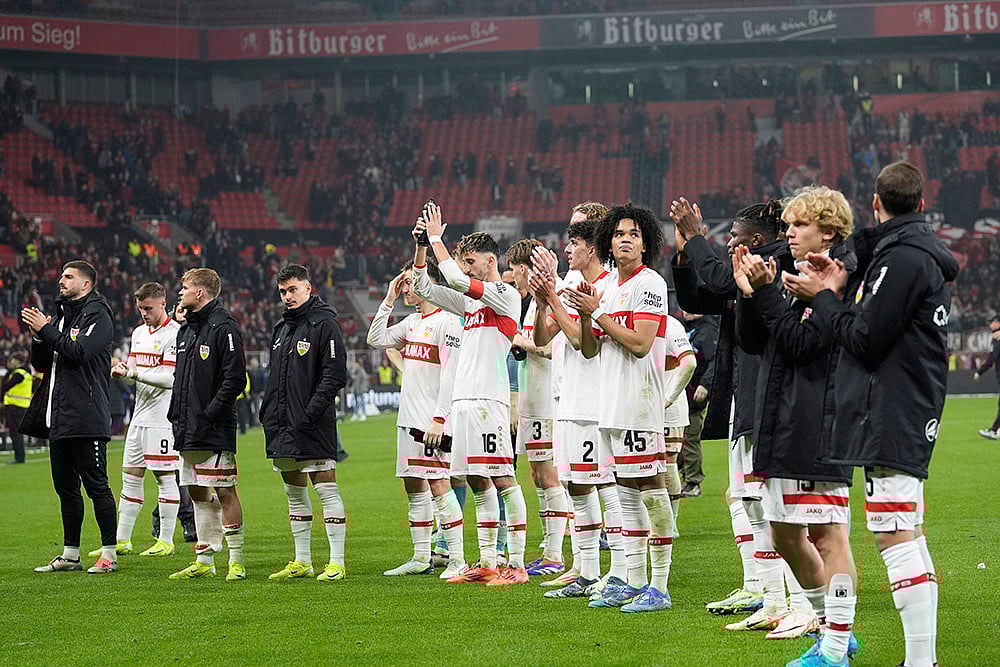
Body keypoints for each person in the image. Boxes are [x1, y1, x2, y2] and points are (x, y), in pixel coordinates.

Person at [784, 162, 959, 667]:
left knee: (895, 533)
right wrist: (841, 282)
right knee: (907, 531)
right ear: (922, 206)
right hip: (902, 406)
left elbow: (864, 338)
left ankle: (921, 661)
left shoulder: (902, 260)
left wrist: (824, 298)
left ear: (877, 204)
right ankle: (920, 659)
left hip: (893, 410)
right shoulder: (902, 254)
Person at [733, 187, 859, 647]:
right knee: (784, 534)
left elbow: (804, 346)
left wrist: (767, 294)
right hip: (782, 423)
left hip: (818, 423)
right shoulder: (795, 274)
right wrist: (750, 294)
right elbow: (755, 342)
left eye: (799, 225)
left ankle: (837, 639)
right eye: (787, 224)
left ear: (828, 231)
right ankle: (830, 625)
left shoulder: (839, 279)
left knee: (828, 536)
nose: (788, 233)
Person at [670, 197, 796, 619]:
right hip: (744, 395)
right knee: (742, 495)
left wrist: (698, 237)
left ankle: (780, 592)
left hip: (769, 396)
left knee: (762, 497)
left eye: (736, 237)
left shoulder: (776, 261)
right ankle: (756, 585)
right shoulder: (742, 271)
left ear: (757, 240)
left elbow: (722, 281)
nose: (729, 244)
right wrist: (686, 252)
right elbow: (699, 296)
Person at [412, 202, 529, 585]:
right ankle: (487, 562)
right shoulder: (470, 306)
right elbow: (424, 287)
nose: (464, 269)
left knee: (503, 479)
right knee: (478, 480)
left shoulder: (503, 294)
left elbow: (458, 282)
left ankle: (517, 565)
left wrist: (436, 238)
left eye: (470, 262)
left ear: (490, 261)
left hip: (488, 401)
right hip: (464, 402)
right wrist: (421, 249)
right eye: (462, 262)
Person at [568, 202, 674, 613]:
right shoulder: (607, 286)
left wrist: (598, 313)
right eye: (618, 234)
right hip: (610, 403)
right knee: (627, 494)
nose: (625, 239)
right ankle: (633, 580)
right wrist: (585, 315)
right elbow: (591, 349)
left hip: (640, 402)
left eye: (633, 233)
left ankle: (659, 587)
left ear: (646, 243)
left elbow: (640, 342)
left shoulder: (650, 284)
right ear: (607, 242)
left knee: (650, 491)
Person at [529, 203, 628, 600]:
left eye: (574, 243)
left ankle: (619, 572)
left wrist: (553, 296)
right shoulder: (570, 288)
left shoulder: (606, 286)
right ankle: (586, 572)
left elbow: (578, 340)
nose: (568, 249)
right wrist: (541, 302)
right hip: (566, 402)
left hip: (594, 404)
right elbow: (542, 338)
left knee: (606, 487)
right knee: (575, 488)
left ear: (592, 248)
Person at [367, 260, 466, 579]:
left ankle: (457, 559)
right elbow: (375, 339)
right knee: (413, 486)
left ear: (429, 283)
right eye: (405, 282)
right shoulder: (411, 323)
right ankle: (421, 556)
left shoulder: (448, 322)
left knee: (439, 485)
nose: (406, 287)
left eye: (410, 282)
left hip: (431, 422)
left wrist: (440, 418)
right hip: (407, 419)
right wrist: (388, 298)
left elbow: (450, 374)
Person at [20, 260, 118, 574]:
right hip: (59, 416)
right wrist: (38, 336)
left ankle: (109, 554)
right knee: (66, 488)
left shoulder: (98, 314)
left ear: (86, 284)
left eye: (69, 276)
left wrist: (46, 330)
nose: (61, 280)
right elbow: (41, 363)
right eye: (62, 275)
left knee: (97, 486)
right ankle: (71, 554)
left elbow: (79, 353)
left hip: (87, 415)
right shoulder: (62, 317)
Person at [262, 264, 349, 582]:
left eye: (293, 289)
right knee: (293, 493)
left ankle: (337, 562)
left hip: (312, 422)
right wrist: (268, 412)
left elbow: (335, 373)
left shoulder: (325, 323)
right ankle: (302, 561)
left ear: (308, 288)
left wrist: (310, 412)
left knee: (326, 488)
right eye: (283, 291)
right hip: (282, 424)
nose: (287, 296)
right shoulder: (281, 329)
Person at [167, 268, 248, 581]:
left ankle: (236, 561)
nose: (180, 292)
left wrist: (210, 414)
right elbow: (180, 381)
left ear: (200, 293)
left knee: (225, 491)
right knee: (198, 492)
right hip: (187, 427)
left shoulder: (224, 326)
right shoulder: (187, 331)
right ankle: (205, 558)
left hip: (213, 428)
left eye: (185, 287)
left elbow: (235, 378)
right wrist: (177, 415)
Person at [94, 282, 182, 558]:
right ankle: (122, 540)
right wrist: (123, 368)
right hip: (140, 415)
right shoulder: (139, 333)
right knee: (130, 477)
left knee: (165, 478)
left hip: (162, 418)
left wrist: (134, 375)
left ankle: (166, 540)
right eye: (140, 308)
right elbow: (133, 365)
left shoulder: (175, 334)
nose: (143, 313)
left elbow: (170, 378)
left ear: (162, 303)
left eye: (148, 308)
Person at [506, 238, 568, 577]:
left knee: (548, 475)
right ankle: (549, 547)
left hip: (546, 399)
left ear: (526, 269)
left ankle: (556, 554)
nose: (514, 279)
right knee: (535, 475)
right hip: (532, 398)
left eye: (515, 272)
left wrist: (519, 341)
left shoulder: (549, 297)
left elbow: (551, 350)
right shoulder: (532, 304)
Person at [679, 311, 718, 497]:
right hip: (678, 395)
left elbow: (714, 361)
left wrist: (705, 384)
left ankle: (693, 482)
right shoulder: (683, 329)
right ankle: (684, 477)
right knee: (677, 441)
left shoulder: (707, 331)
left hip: (694, 395)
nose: (687, 311)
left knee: (690, 440)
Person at [2, 354, 32, 465]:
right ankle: (20, 456)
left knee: (15, 433)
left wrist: (8, 372)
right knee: (16, 432)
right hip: (20, 406)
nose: (10, 362)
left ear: (17, 361)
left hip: (15, 407)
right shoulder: (25, 373)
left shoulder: (19, 374)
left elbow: (5, 386)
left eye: (12, 360)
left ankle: (19, 457)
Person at [974, 316, 1000, 440]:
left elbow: (992, 358)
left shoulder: (997, 338)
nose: (990, 325)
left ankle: (994, 431)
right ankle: (994, 430)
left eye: (992, 322)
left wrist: (980, 371)